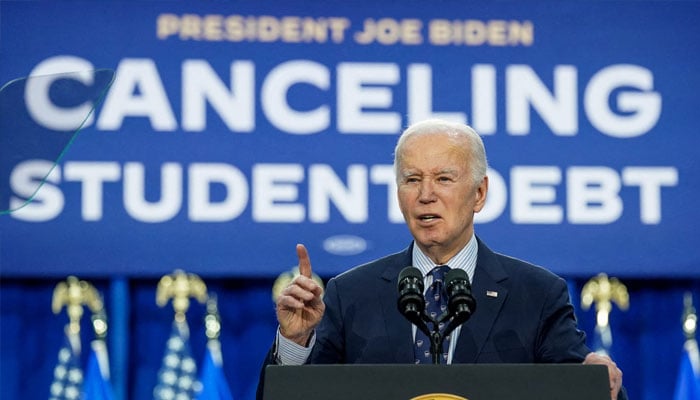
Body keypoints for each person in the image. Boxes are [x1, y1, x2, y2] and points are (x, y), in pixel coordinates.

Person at [257, 119, 625, 400]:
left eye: (444, 178)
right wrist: (295, 342)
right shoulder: (350, 293)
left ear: (479, 193)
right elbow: (292, 399)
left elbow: (586, 388)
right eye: (412, 179)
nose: (426, 195)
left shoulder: (537, 293)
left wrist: (597, 378)